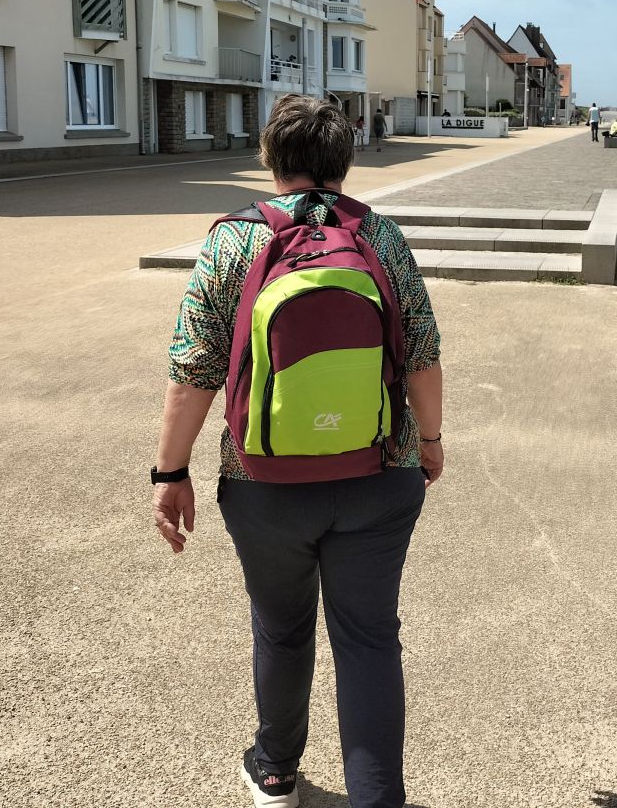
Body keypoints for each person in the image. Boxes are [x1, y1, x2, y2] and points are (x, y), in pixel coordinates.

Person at [153, 95, 445, 808]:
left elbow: (193, 368)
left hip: (263, 480)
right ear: (344, 162)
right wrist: (429, 442)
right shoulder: (382, 237)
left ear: (269, 159)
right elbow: (424, 357)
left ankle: (276, 769)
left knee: (282, 629)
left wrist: (171, 471)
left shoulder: (231, 242)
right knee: (369, 639)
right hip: (379, 470)